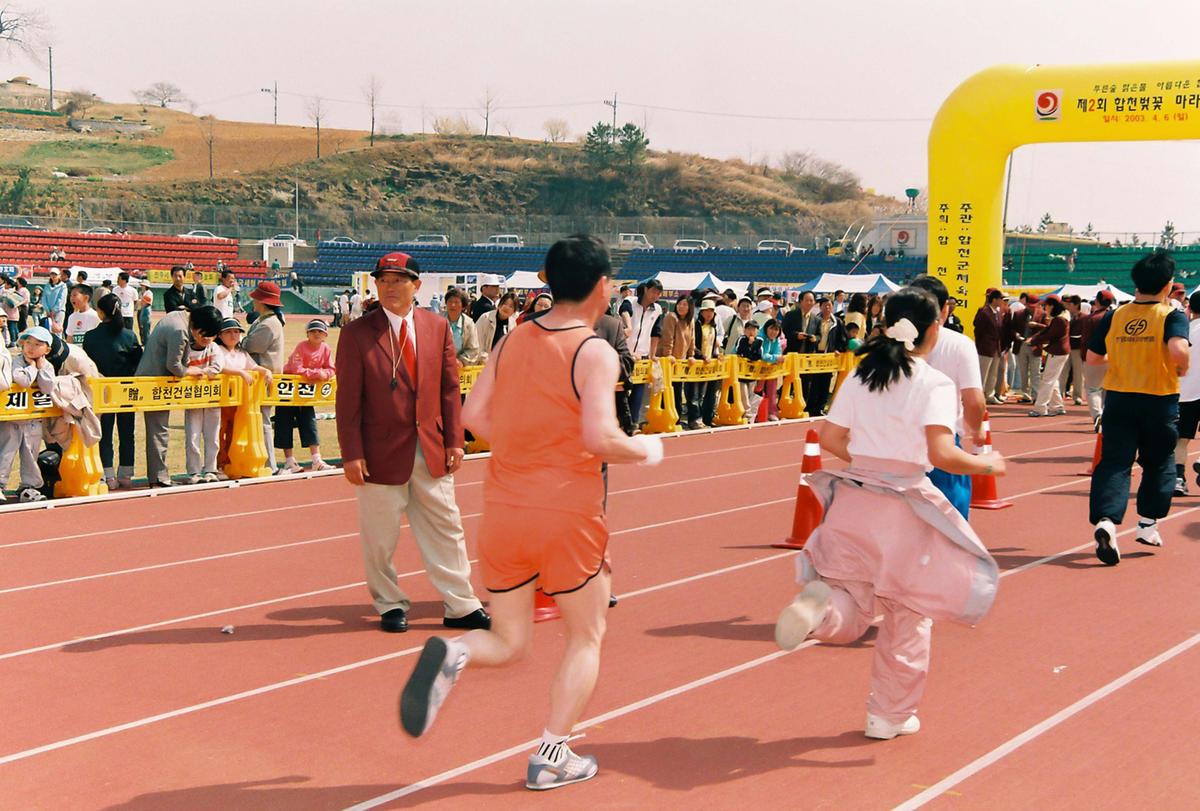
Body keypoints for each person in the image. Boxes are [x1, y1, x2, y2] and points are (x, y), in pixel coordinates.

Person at [398, 235, 663, 791]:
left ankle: (455, 651)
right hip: (567, 510)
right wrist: (645, 449)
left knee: (509, 641)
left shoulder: (512, 340)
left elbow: (473, 415)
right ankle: (551, 754)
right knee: (587, 634)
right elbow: (600, 436)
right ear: (601, 286)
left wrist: (524, 450)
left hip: (505, 507)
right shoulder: (594, 351)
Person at [774, 286, 1004, 740]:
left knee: (850, 596)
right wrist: (986, 464)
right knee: (908, 614)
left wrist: (867, 460)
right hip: (903, 508)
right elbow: (942, 454)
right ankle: (888, 715)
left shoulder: (863, 374)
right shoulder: (934, 383)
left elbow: (830, 437)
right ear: (933, 329)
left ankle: (818, 614)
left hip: (854, 499)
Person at [335, 251, 489, 634]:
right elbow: (348, 400)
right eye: (383, 280)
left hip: (431, 447)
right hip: (378, 453)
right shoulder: (356, 334)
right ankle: (389, 603)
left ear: (416, 285)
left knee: (447, 527)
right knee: (380, 537)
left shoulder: (437, 327)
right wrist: (351, 453)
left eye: (398, 280)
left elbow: (449, 389)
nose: (389, 287)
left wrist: (455, 440)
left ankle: (461, 604)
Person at [1087, 250, 1190, 564]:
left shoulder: (1115, 315)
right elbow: (1178, 350)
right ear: (1168, 285)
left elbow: (1093, 358)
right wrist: (1182, 367)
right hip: (1158, 399)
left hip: (1119, 398)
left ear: (1136, 283)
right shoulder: (1171, 315)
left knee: (1115, 463)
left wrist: (1122, 358)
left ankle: (1106, 520)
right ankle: (1147, 523)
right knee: (1159, 463)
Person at [909, 275, 986, 519]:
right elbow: (974, 399)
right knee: (950, 526)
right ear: (945, 308)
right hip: (942, 443)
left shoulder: (888, 343)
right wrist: (976, 430)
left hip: (896, 444)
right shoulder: (959, 344)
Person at [137, 305, 224, 488]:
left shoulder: (178, 316)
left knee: (158, 430)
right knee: (159, 431)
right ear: (200, 328)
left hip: (154, 378)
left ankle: (158, 476)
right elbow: (174, 366)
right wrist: (190, 371)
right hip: (156, 382)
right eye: (205, 334)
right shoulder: (181, 330)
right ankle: (159, 478)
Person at [84, 294, 143, 490]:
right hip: (126, 390)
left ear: (100, 312)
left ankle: (107, 474)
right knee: (127, 432)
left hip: (101, 392)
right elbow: (138, 362)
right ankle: (126, 474)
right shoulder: (129, 336)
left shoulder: (91, 336)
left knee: (104, 433)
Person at [1, 326, 56, 502]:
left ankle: (29, 487)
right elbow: (23, 380)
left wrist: (41, 367)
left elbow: (48, 387)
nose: (31, 347)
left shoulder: (47, 365)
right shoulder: (17, 361)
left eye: (38, 344)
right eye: (28, 343)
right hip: (13, 417)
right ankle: (0, 484)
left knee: (31, 454)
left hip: (33, 419)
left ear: (47, 349)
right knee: (5, 452)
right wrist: (32, 367)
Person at [275, 319, 336, 474]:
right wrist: (316, 374)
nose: (316, 334)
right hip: (288, 390)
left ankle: (316, 460)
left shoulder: (325, 349)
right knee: (285, 422)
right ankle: (289, 461)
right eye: (313, 331)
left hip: (305, 392)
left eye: (320, 331)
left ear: (325, 335)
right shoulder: (301, 347)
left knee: (309, 421)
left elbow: (331, 369)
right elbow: (296, 368)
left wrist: (324, 374)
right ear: (307, 334)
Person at [213, 318, 273, 471]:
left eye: (236, 332)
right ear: (220, 335)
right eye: (228, 332)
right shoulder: (217, 350)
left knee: (235, 432)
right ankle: (219, 464)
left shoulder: (242, 353)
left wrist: (266, 371)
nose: (233, 335)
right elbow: (218, 368)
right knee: (220, 432)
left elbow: (254, 366)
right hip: (222, 400)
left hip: (240, 402)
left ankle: (231, 463)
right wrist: (239, 372)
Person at [243, 282, 286, 470]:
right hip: (261, 377)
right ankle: (263, 462)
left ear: (262, 301)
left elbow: (251, 345)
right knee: (259, 420)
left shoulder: (269, 323)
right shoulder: (265, 320)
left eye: (256, 298)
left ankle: (270, 464)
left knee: (263, 421)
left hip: (263, 378)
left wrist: (243, 340)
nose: (253, 301)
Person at [181, 312, 224, 485]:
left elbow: (216, 368)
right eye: (203, 334)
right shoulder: (186, 348)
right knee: (192, 436)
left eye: (211, 335)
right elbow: (182, 368)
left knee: (212, 436)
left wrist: (198, 372)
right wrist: (192, 373)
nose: (206, 338)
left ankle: (210, 469)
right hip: (193, 400)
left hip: (213, 399)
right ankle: (194, 471)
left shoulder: (214, 348)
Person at [1174, 290, 1200, 497]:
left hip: (1185, 392)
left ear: (1189, 309)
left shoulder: (1183, 332)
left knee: (1181, 440)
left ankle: (1178, 479)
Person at [1028, 294, 1070, 417]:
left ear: (1051, 306)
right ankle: (1057, 406)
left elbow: (1049, 334)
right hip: (1060, 351)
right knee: (1052, 379)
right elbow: (1048, 331)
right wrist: (1034, 339)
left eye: (1045, 305)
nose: (1044, 308)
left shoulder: (1059, 319)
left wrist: (1033, 340)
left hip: (1057, 352)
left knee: (1047, 380)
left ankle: (1040, 408)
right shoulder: (1062, 316)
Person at [656, 296, 695, 427]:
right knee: (666, 390)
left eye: (685, 304)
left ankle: (675, 419)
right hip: (668, 361)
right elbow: (668, 337)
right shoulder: (671, 317)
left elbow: (692, 340)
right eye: (679, 304)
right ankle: (665, 419)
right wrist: (668, 355)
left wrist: (691, 355)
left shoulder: (690, 321)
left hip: (680, 362)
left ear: (690, 307)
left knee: (677, 391)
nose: (681, 307)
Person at [1079, 290, 1115, 432]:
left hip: (1094, 357)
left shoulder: (1091, 319)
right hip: (1112, 357)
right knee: (1107, 389)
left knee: (1093, 389)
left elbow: (1085, 340)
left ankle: (1097, 415)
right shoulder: (1115, 316)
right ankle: (1106, 416)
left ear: (1097, 301)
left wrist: (1084, 357)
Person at [808, 296, 848, 416]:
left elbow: (842, 339)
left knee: (825, 382)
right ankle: (810, 407)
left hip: (829, 356)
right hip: (816, 355)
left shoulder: (837, 322)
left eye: (829, 305)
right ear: (820, 307)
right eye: (825, 305)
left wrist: (838, 349)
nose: (827, 307)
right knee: (813, 382)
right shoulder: (814, 320)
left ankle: (820, 407)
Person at [689, 299, 722, 429]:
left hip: (708, 365)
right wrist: (702, 356)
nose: (709, 314)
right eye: (706, 311)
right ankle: (694, 419)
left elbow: (712, 346)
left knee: (707, 393)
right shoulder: (697, 325)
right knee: (695, 394)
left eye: (711, 311)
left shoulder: (713, 327)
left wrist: (716, 355)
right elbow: (693, 345)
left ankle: (706, 418)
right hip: (697, 364)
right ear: (701, 312)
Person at [972, 289, 1006, 405]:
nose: (1002, 301)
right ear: (994, 299)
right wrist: (981, 344)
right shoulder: (984, 312)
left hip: (996, 348)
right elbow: (978, 330)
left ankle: (989, 395)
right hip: (985, 348)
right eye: (1001, 299)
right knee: (983, 373)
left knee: (993, 373)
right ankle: (978, 396)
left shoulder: (997, 313)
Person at [474, 292, 518, 363]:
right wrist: (490, 360)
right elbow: (476, 344)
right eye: (505, 303)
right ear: (499, 304)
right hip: (483, 362)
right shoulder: (485, 318)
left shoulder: (513, 324)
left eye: (511, 306)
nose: (506, 307)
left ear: (514, 311)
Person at [443, 288, 480, 366]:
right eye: (450, 301)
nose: (452, 305)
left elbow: (473, 349)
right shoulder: (437, 320)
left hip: (459, 366)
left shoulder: (469, 323)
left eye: (456, 302)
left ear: (463, 306)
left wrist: (461, 361)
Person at [760, 318, 784, 420]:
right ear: (766, 328)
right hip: (757, 370)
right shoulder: (760, 338)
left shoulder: (776, 340)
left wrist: (775, 358)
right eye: (771, 329)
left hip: (770, 369)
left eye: (776, 330)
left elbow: (778, 352)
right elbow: (763, 355)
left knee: (772, 389)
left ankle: (771, 412)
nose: (773, 332)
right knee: (758, 390)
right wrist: (775, 358)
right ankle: (757, 413)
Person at [43, 268, 68, 333]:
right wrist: (47, 310)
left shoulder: (63, 286)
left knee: (57, 330)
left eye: (55, 274)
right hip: (48, 312)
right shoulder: (47, 286)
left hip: (59, 311)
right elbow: (44, 298)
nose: (53, 276)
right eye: (52, 274)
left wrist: (54, 310)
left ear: (59, 275)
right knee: (48, 330)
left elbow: (61, 299)